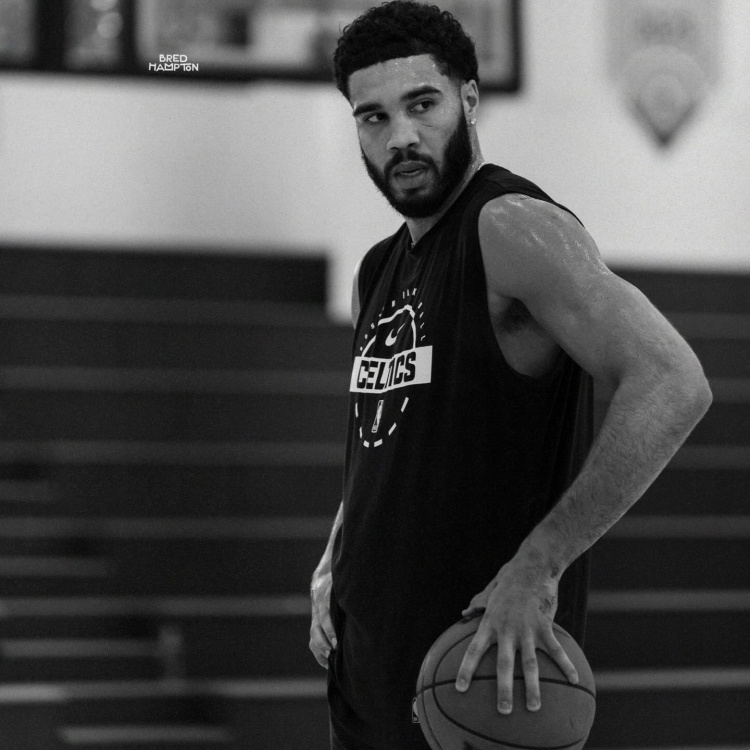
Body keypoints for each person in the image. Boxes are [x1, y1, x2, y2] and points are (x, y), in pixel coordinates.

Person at [309, 2, 712, 748]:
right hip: (363, 674)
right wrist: (336, 556)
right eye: (373, 117)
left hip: (476, 676)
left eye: (421, 105)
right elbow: (382, 440)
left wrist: (540, 565)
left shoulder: (512, 228)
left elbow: (673, 381)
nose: (400, 136)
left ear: (468, 98)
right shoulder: (378, 269)